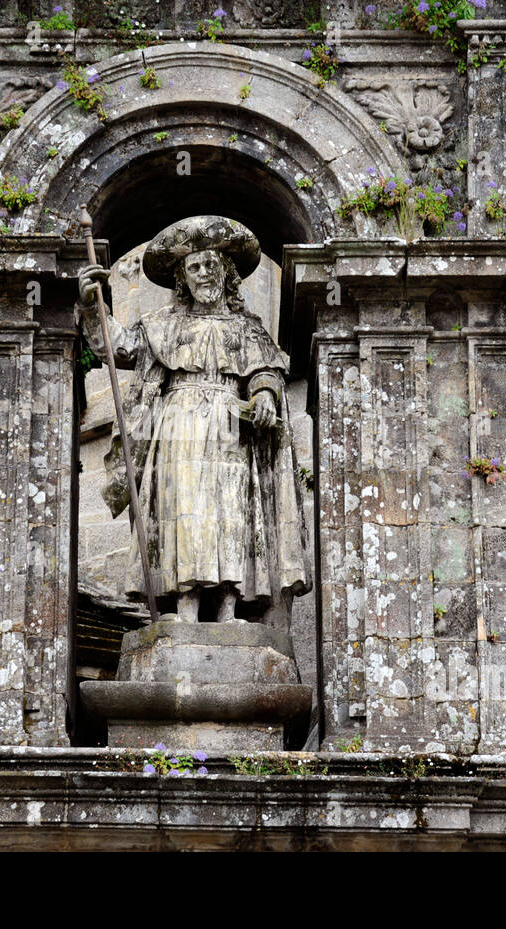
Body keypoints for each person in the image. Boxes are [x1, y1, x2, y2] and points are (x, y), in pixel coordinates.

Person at [76, 215, 309, 623]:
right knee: (183, 512)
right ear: (183, 278)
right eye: (194, 267)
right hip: (177, 427)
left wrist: (265, 394)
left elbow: (266, 369)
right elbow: (117, 347)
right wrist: (92, 305)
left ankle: (228, 609)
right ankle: (185, 607)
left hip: (231, 429)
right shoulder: (162, 325)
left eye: (210, 265)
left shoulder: (247, 328)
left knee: (231, 512)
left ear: (226, 272)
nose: (203, 273)